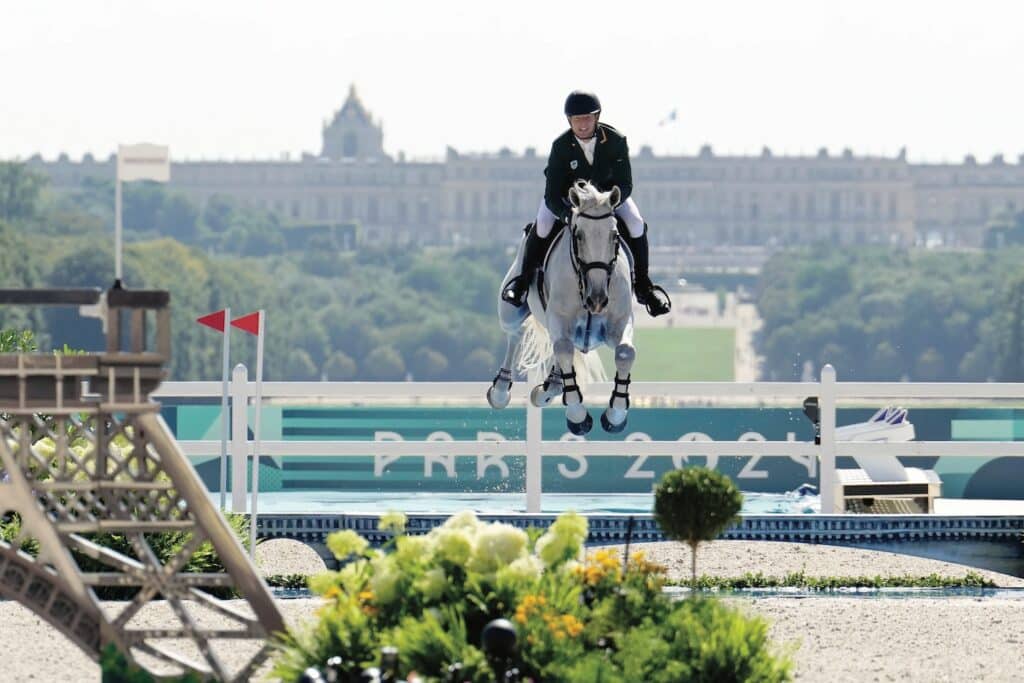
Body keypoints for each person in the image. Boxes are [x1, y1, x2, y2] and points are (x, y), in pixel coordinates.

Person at [501, 90, 671, 316]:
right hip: (567, 200)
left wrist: (608, 201)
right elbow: (551, 194)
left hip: (607, 199)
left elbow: (626, 183)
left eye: (587, 118)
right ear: (569, 120)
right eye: (577, 119)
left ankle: (644, 285)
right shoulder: (560, 146)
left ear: (597, 118)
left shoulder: (616, 141)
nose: (582, 124)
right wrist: (567, 215)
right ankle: (521, 282)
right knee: (541, 226)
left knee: (637, 223)